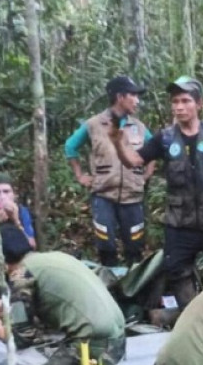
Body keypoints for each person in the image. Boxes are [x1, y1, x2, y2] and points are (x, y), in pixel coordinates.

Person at [111, 76, 203, 308]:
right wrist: (118, 143)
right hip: (180, 224)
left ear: (199, 105)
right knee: (176, 270)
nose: (179, 107)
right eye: (175, 101)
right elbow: (134, 160)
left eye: (185, 101)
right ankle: (194, 314)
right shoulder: (165, 139)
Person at [0, 226, 127, 365]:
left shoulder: (21, 276)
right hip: (117, 339)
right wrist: (8, 309)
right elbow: (55, 308)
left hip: (93, 345)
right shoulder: (52, 258)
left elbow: (22, 339)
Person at [64, 76, 155, 266]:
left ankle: (134, 287)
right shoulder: (93, 125)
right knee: (106, 244)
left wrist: (147, 174)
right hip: (104, 195)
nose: (137, 100)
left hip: (132, 196)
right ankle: (109, 285)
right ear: (120, 97)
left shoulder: (138, 127)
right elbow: (70, 147)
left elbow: (153, 150)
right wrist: (80, 175)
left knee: (135, 245)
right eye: (134, 95)